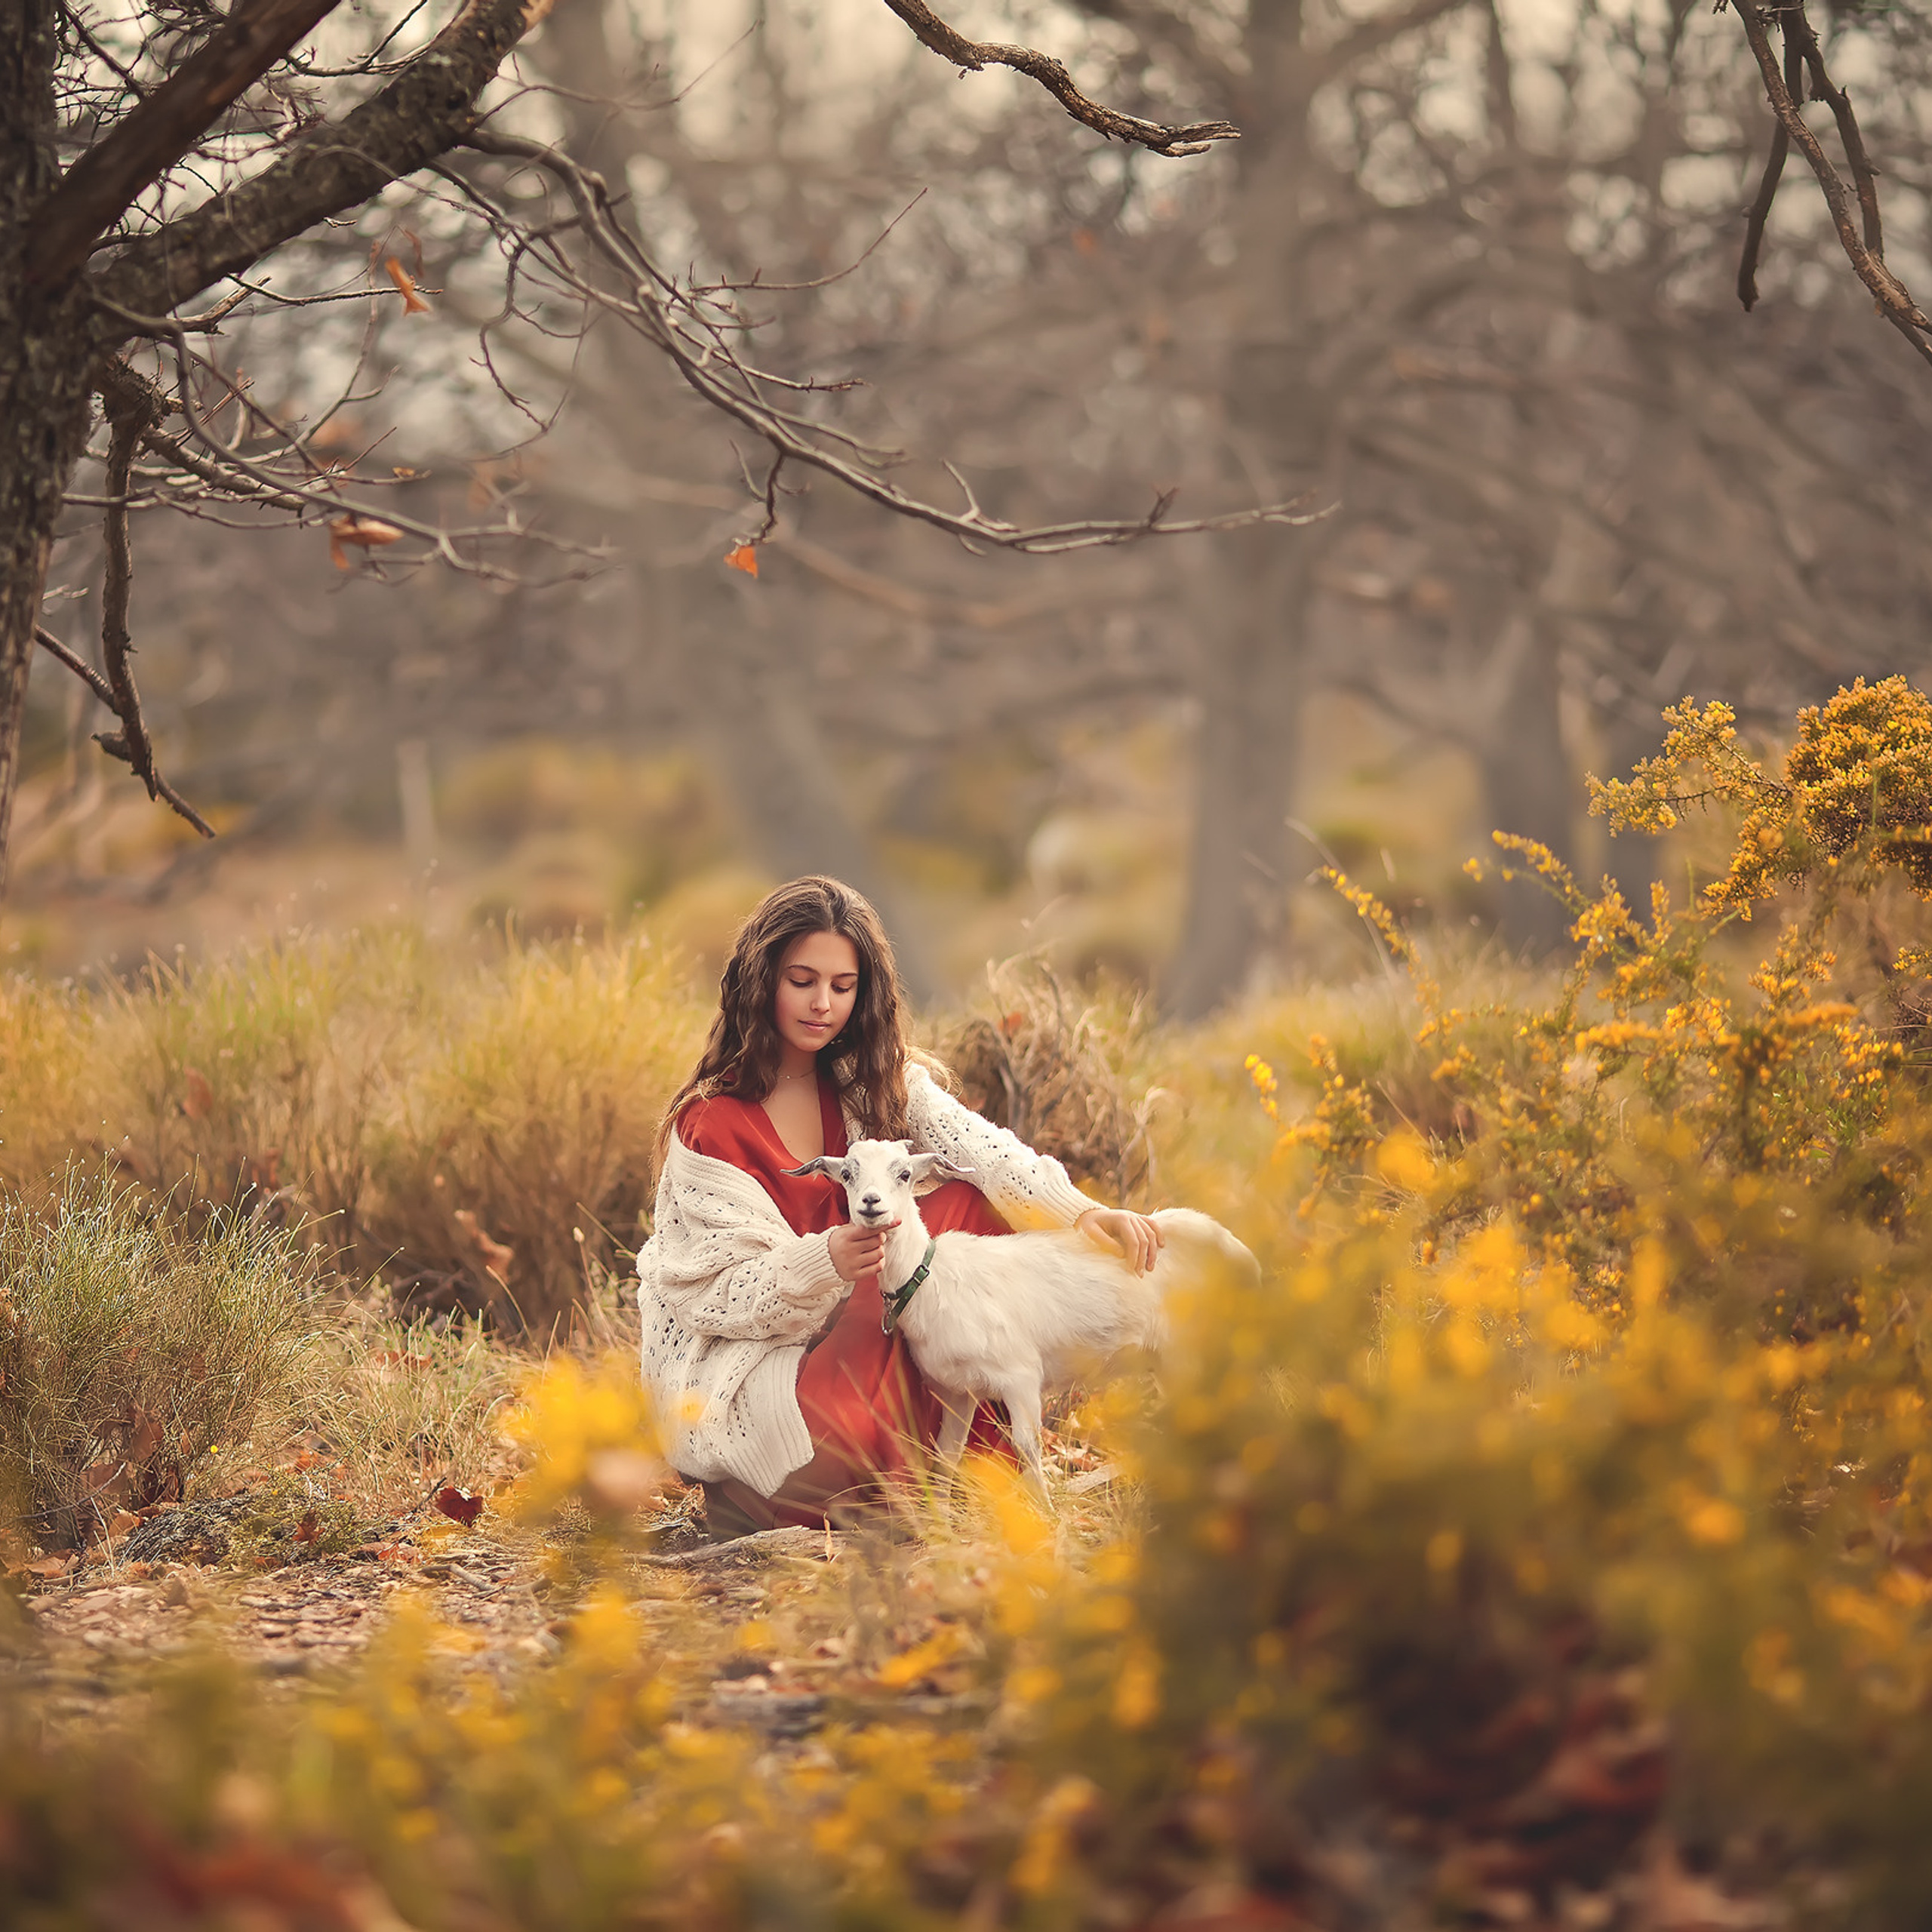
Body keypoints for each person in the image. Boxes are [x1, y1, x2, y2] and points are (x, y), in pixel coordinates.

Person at [637, 875, 1162, 1534]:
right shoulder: (711, 1125)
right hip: (770, 1363)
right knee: (837, 1439)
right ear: (760, 980)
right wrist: (825, 1260)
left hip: (875, 1327)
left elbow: (987, 1151)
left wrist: (1080, 1211)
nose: (822, 1004)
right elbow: (714, 1295)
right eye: (802, 981)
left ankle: (967, 1459)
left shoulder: (873, 1084)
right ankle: (788, 1488)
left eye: (842, 985)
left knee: (967, 1199)